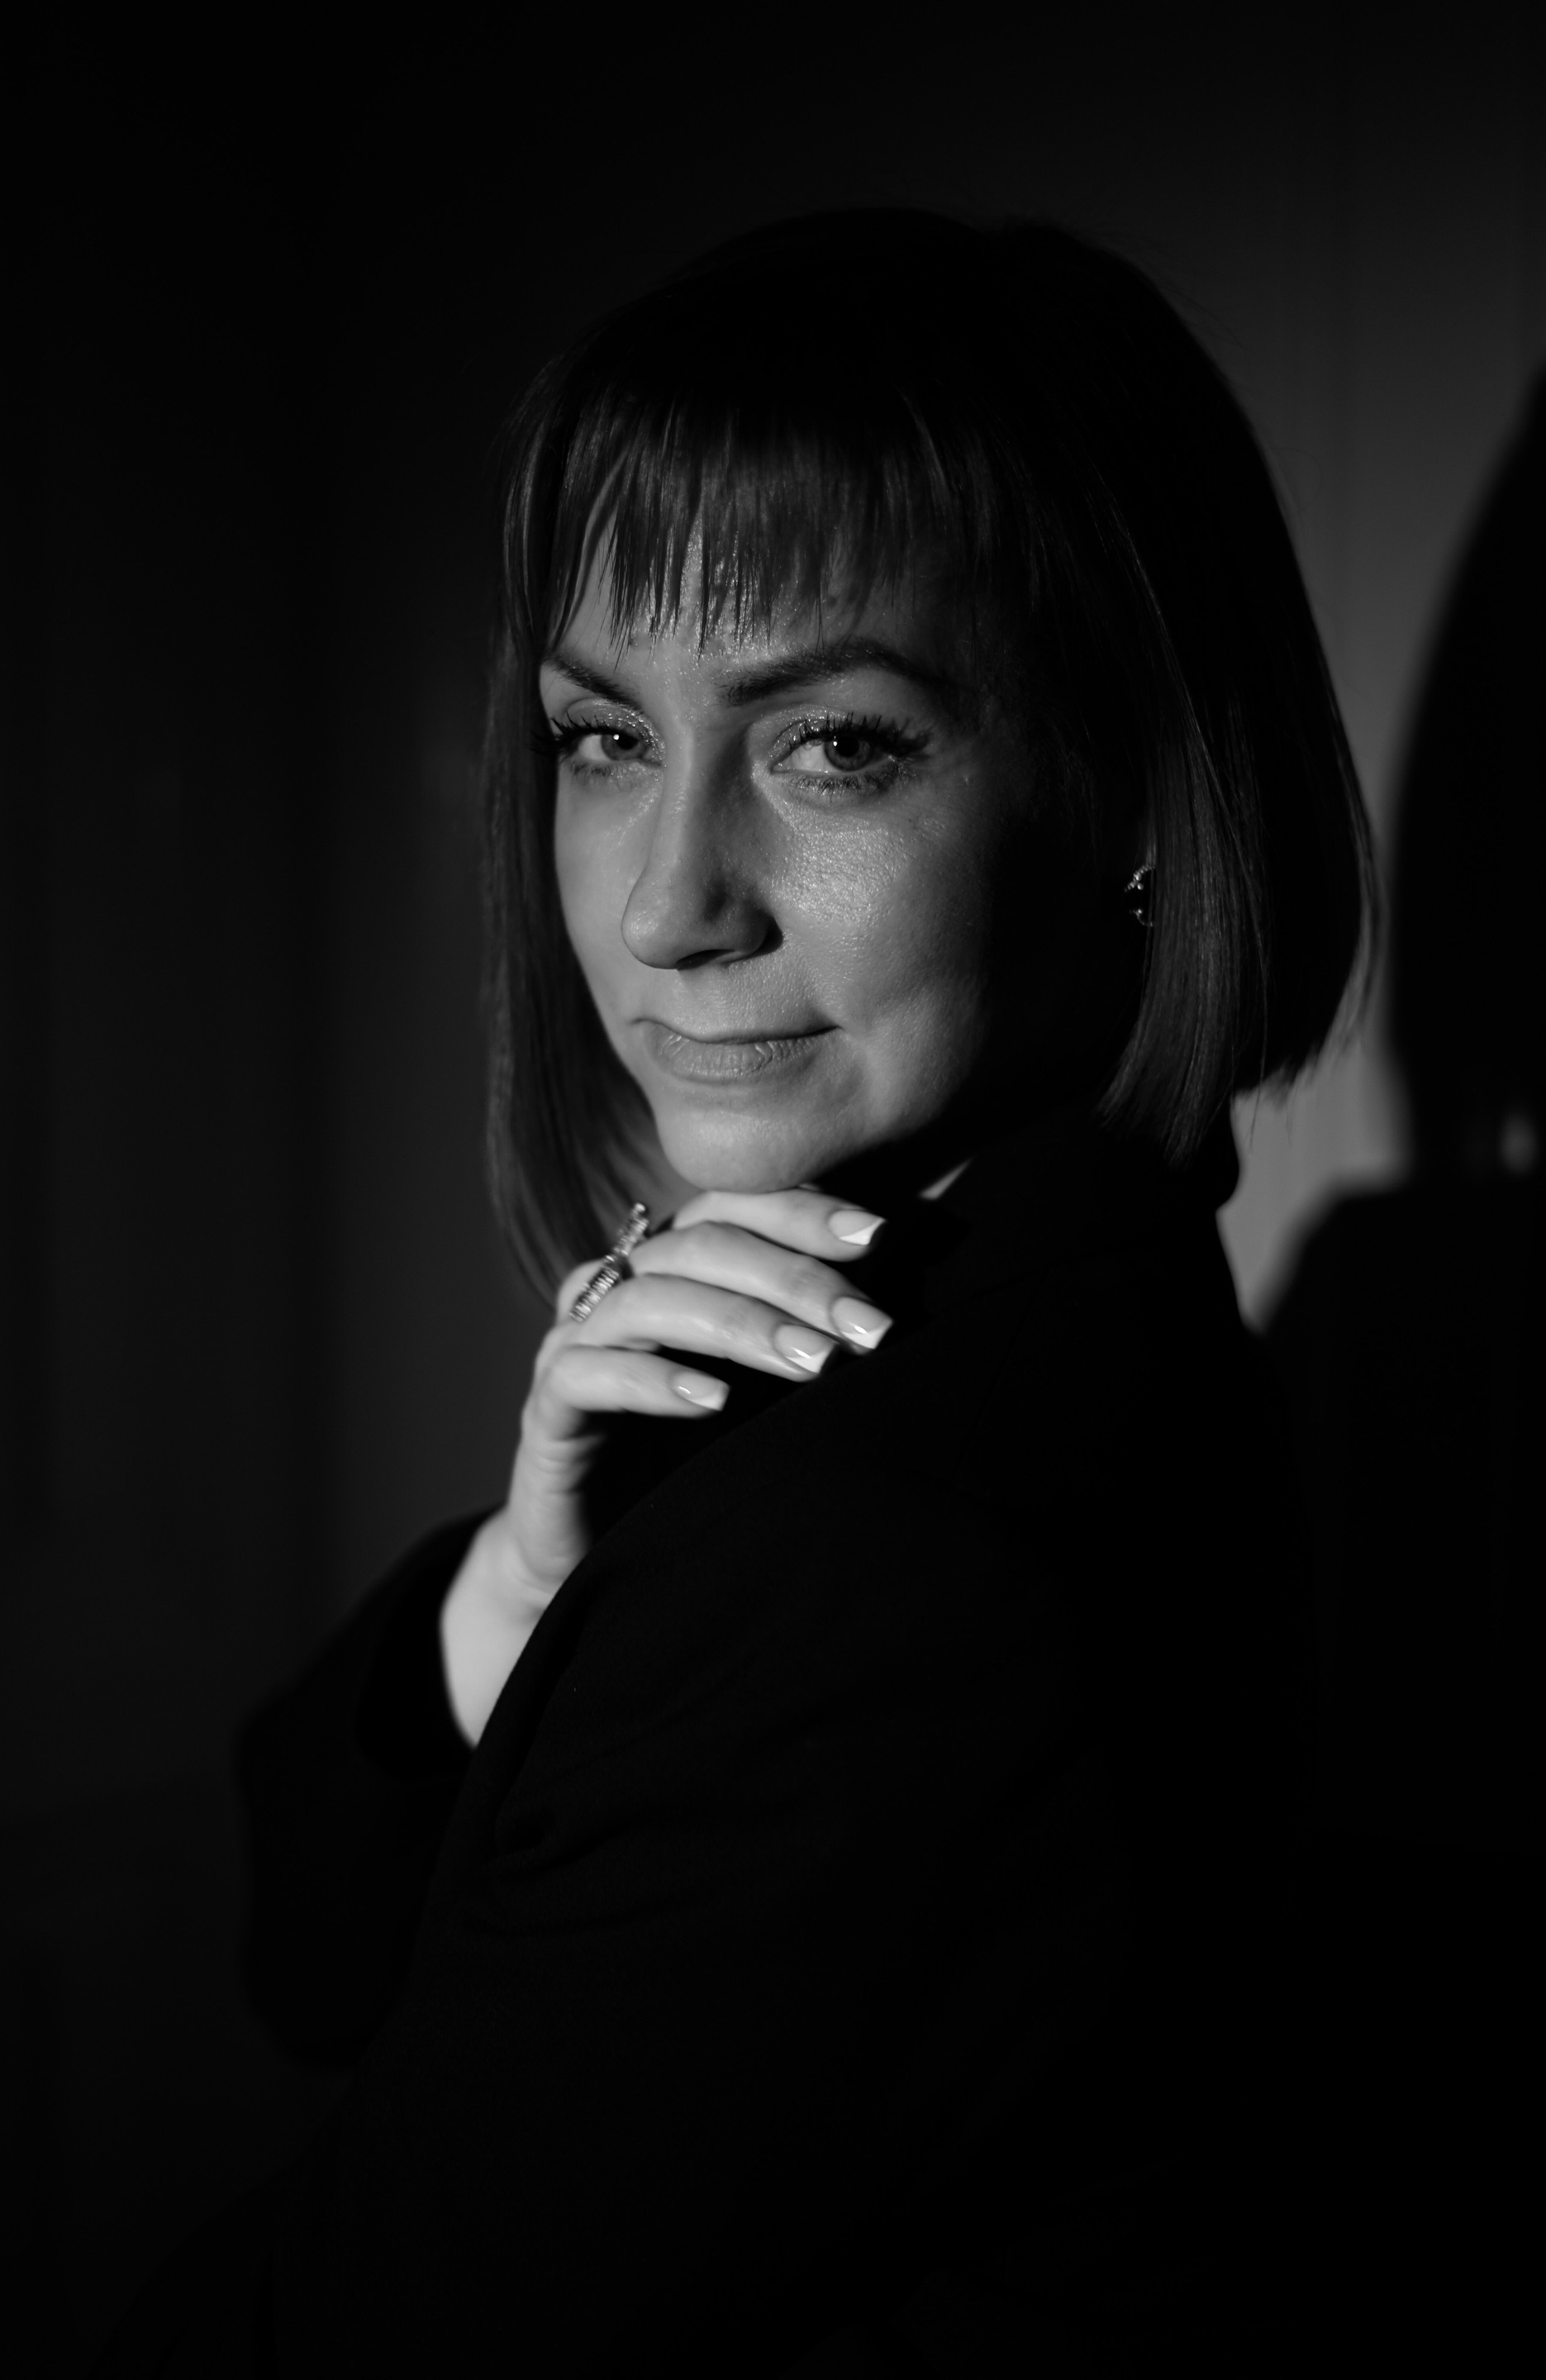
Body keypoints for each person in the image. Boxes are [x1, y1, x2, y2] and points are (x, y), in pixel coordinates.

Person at [95, 211, 1374, 2376]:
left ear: (1131, 789)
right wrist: (526, 1582)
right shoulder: (1050, 1337)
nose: (668, 906)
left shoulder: (883, 1545)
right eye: (606, 739)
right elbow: (317, 1949)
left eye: (834, 743)